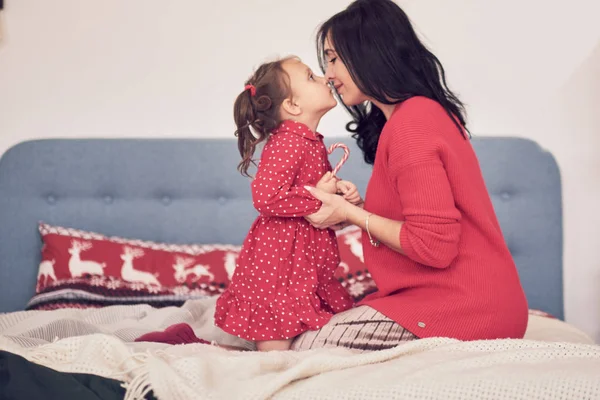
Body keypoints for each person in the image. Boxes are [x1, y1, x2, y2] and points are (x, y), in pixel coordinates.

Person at [292, 0, 529, 351]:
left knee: (304, 344)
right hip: (468, 301)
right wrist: (356, 210)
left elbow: (433, 246)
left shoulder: (411, 125)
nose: (328, 73)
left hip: (465, 308)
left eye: (333, 58)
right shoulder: (415, 116)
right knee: (296, 323)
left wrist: (351, 213)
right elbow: (421, 222)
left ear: (366, 51)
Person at [214, 56, 362, 351]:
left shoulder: (307, 140)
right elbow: (266, 197)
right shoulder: (288, 142)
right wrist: (316, 193)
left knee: (312, 331)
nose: (324, 78)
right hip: (280, 265)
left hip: (304, 263)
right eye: (310, 77)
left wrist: (344, 203)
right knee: (274, 350)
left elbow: (316, 207)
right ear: (293, 106)